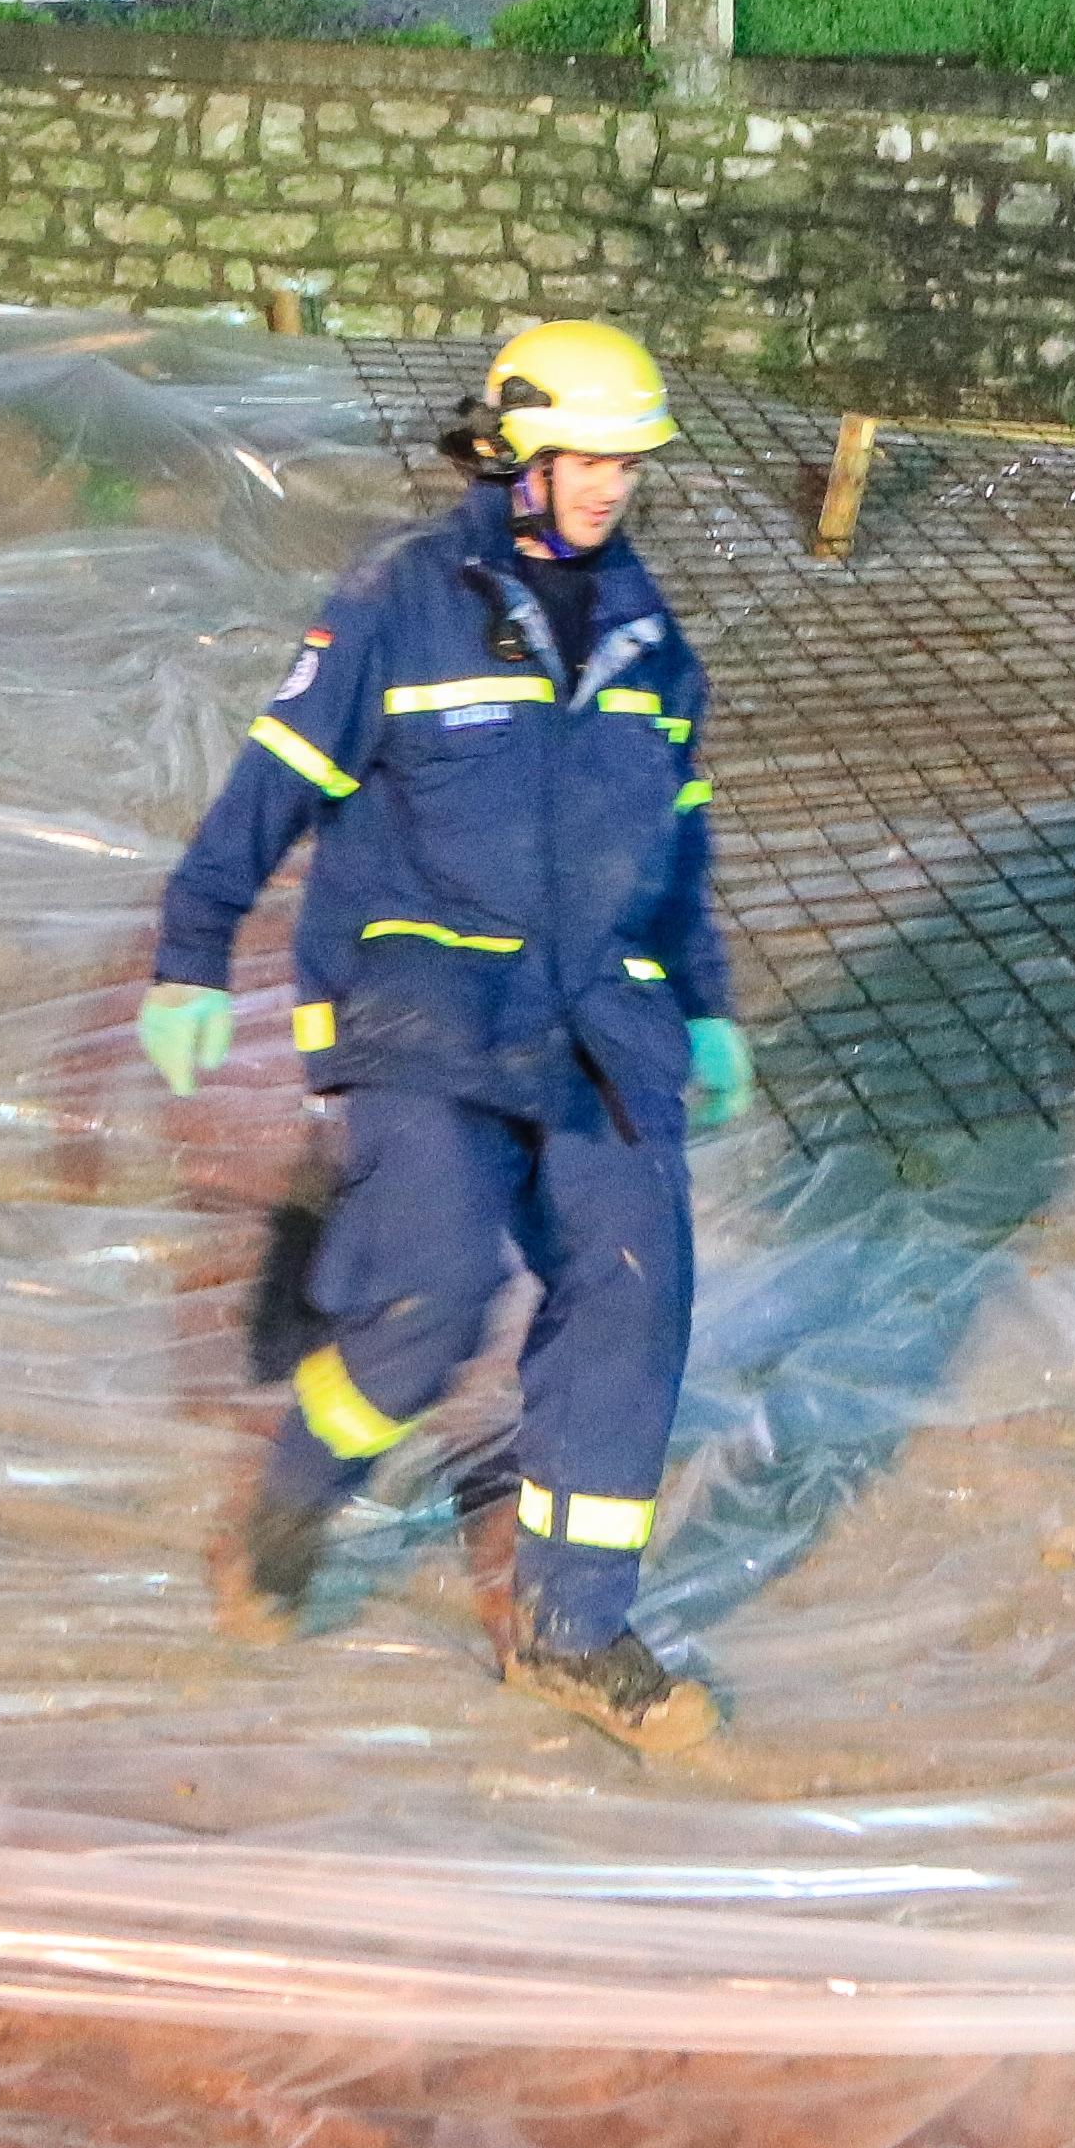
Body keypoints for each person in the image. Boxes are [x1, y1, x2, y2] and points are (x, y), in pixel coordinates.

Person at [141, 319, 752, 1756]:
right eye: (586, 455)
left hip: (599, 1017)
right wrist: (189, 955)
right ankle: (294, 1498)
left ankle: (572, 1633)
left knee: (632, 1295)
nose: (609, 483)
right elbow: (271, 786)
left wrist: (706, 1009)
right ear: (520, 453)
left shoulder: (655, 642)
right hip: (424, 1000)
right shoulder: (401, 601)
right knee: (426, 1298)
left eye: (628, 460)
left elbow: (675, 854)